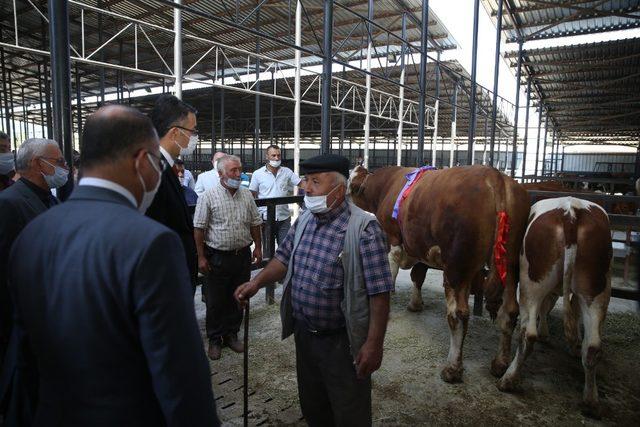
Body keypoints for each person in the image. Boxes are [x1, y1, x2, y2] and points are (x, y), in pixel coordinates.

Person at [7, 105, 219, 426]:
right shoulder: (151, 243)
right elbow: (179, 375)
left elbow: (21, 352)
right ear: (141, 161)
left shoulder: (34, 232)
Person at [235, 154, 394, 426]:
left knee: (348, 410)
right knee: (313, 404)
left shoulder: (364, 229)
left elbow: (379, 294)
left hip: (342, 343)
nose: (306, 188)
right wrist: (256, 282)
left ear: (339, 190)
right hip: (305, 336)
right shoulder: (306, 220)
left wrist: (374, 343)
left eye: (315, 182)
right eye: (306, 181)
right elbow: (282, 258)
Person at [0, 138, 66, 371]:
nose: (65, 167)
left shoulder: (50, 199)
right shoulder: (9, 203)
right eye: (59, 161)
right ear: (39, 164)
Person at [193, 154, 262, 360]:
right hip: (217, 257)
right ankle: (215, 339)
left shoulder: (246, 195)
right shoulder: (208, 196)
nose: (238, 174)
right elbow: (198, 228)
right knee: (215, 300)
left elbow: (255, 222)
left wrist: (258, 247)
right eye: (233, 171)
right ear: (221, 174)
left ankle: (232, 334)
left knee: (239, 296)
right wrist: (201, 257)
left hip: (241, 255)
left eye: (240, 170)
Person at [146, 94, 199, 292]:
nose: (194, 137)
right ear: (175, 133)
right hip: (166, 286)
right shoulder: (153, 170)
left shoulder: (163, 166)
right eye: (192, 131)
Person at [249, 145, 304, 246]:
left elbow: (301, 184)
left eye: (278, 155)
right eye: (273, 155)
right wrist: (255, 218)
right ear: (267, 157)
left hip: (284, 218)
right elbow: (252, 196)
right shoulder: (258, 174)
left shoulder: (287, 172)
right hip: (265, 219)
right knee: (267, 250)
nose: (277, 158)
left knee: (285, 249)